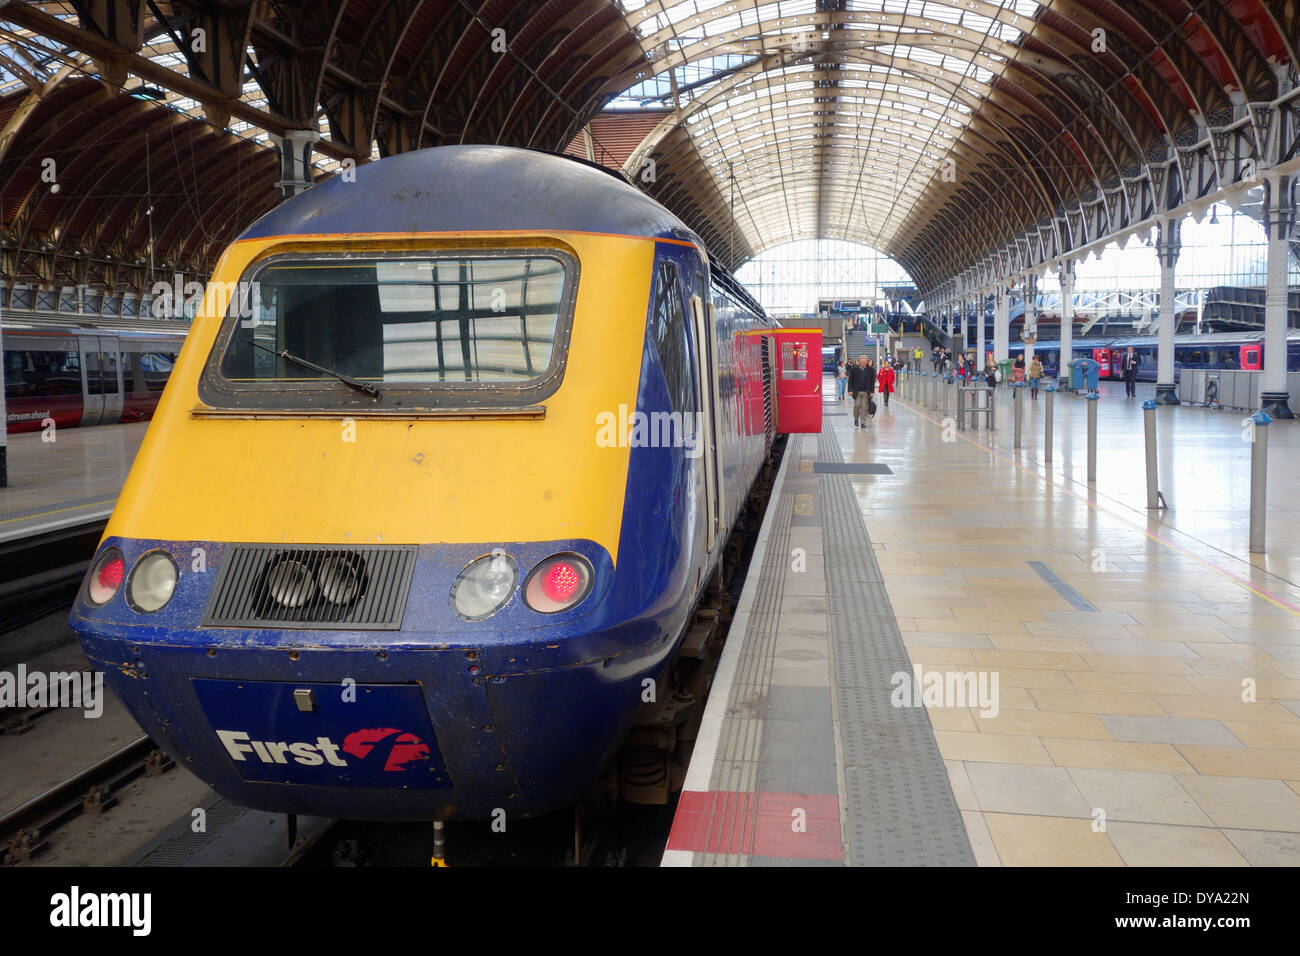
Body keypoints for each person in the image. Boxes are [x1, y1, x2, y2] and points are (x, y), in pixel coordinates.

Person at [848, 355, 876, 428]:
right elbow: (850, 380)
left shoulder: (871, 370)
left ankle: (863, 422)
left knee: (864, 407)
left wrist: (872, 392)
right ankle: (856, 419)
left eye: (864, 362)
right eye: (861, 362)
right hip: (857, 391)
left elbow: (872, 382)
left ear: (867, 362)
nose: (863, 364)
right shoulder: (854, 369)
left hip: (866, 392)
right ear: (859, 362)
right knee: (857, 406)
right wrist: (850, 390)